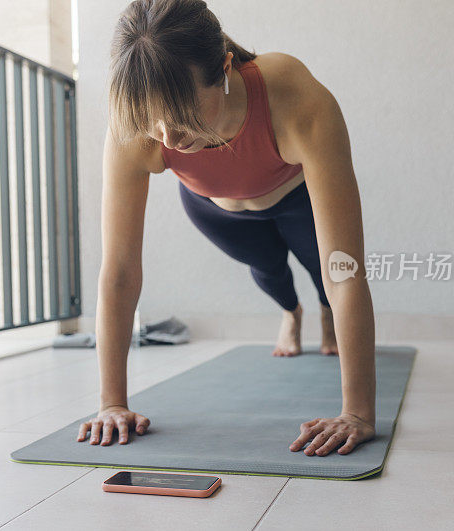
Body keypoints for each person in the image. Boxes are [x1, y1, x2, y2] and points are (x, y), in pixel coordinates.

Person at [77, 0, 376, 457]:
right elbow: (118, 271)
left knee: (324, 272)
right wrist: (111, 403)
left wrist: (357, 413)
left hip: (295, 201)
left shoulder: (295, 96)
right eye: (154, 123)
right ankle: (290, 313)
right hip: (216, 210)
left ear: (224, 69)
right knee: (269, 271)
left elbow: (346, 269)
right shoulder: (135, 124)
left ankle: (325, 318)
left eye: (184, 119)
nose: (169, 140)